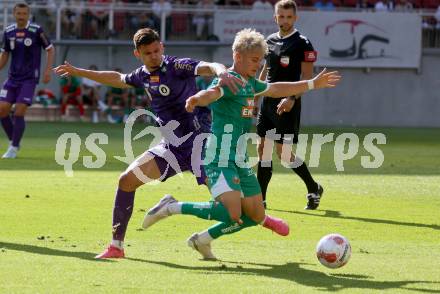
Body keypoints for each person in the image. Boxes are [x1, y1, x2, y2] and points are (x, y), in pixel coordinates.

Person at [143, 28, 340, 260]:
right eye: (254, 60)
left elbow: (276, 88)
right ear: (238, 57)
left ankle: (202, 240)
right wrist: (197, 99)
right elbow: (213, 92)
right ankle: (171, 207)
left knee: (256, 215)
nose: (258, 65)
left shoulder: (250, 83)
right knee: (232, 213)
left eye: (260, 60)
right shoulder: (229, 81)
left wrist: (310, 84)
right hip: (219, 157)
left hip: (240, 159)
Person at [53, 28, 245, 259]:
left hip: (200, 145)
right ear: (138, 54)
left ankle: (198, 234)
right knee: (126, 181)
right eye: (148, 53)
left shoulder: (177, 66)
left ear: (162, 47)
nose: (154, 56)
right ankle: (116, 246)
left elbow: (209, 65)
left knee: (231, 209)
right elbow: (116, 78)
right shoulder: (141, 75)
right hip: (171, 148)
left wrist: (222, 72)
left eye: (156, 50)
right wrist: (78, 71)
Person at [255, 0, 323, 210]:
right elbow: (266, 70)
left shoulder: (303, 43)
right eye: (281, 16)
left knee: (283, 154)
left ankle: (313, 187)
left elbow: (307, 78)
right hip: (268, 101)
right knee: (262, 149)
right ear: (275, 17)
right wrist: (255, 95)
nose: (284, 20)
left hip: (288, 103)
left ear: (295, 18)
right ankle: (261, 200)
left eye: (288, 17)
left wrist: (292, 98)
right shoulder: (269, 40)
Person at [0, 2, 54, 159]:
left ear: (28, 15)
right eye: (19, 14)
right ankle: (14, 141)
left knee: (19, 111)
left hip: (29, 79)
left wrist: (47, 71)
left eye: (24, 14)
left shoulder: (36, 31)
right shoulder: (8, 31)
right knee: (2, 109)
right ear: (14, 14)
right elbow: (4, 56)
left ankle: (13, 148)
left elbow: (50, 49)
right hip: (12, 79)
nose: (21, 16)